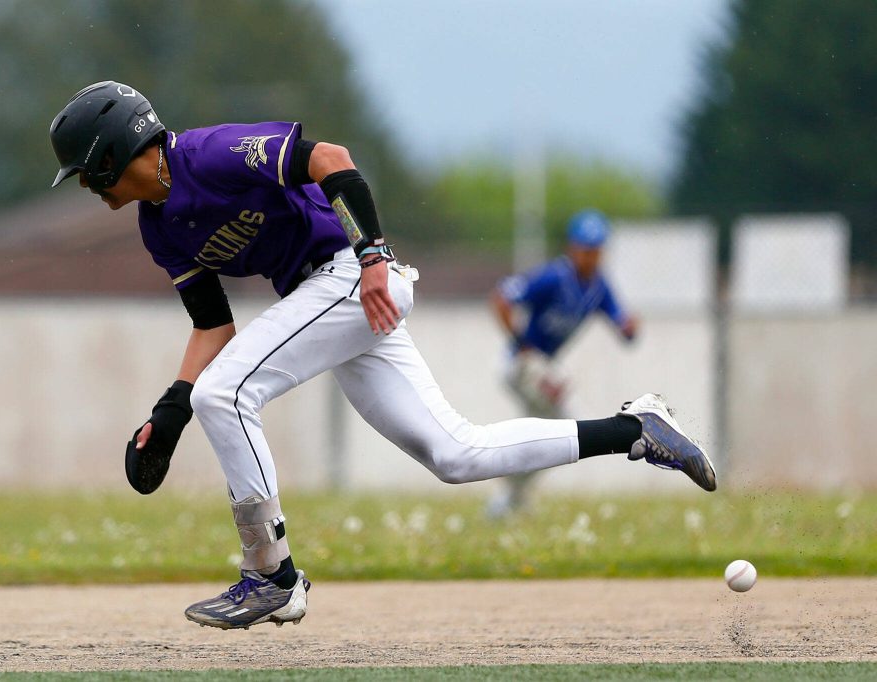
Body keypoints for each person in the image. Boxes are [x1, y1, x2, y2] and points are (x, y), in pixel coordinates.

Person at [48, 81, 717, 631]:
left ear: (111, 153)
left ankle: (270, 574)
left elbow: (329, 158)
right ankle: (638, 430)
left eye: (84, 170)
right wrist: (168, 415)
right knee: (457, 455)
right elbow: (211, 323)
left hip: (348, 272)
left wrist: (370, 254)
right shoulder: (158, 226)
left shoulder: (208, 155)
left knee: (225, 393)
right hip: (330, 293)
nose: (84, 186)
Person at [487, 210, 638, 517]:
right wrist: (522, 345)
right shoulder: (554, 276)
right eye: (586, 248)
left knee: (545, 440)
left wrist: (629, 327)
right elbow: (501, 299)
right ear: (572, 247)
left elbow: (623, 327)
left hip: (543, 367)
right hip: (522, 364)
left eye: (597, 249)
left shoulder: (598, 286)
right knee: (569, 424)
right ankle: (507, 486)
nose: (591, 256)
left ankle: (510, 495)